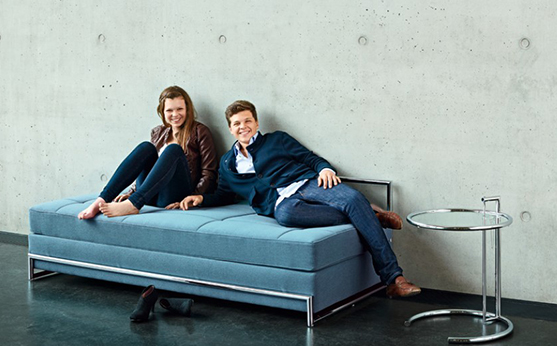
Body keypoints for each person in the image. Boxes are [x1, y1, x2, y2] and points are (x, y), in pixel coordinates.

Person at [179, 100, 420, 298]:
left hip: (309, 183)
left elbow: (310, 158)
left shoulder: (277, 139)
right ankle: (371, 215)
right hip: (282, 204)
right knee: (286, 216)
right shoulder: (227, 163)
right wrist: (201, 198)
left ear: (256, 122)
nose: (243, 127)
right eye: (237, 123)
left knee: (353, 198)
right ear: (230, 128)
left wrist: (325, 169)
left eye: (248, 121)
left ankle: (394, 279)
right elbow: (223, 193)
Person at [78, 86, 218, 219]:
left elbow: (209, 173)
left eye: (180, 109)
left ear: (187, 109)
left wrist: (191, 199)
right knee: (146, 147)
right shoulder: (158, 132)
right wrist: (131, 192)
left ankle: (134, 203)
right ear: (162, 112)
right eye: (169, 110)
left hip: (174, 197)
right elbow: (145, 167)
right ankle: (102, 200)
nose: (175, 114)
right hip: (150, 196)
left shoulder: (200, 132)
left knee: (173, 149)